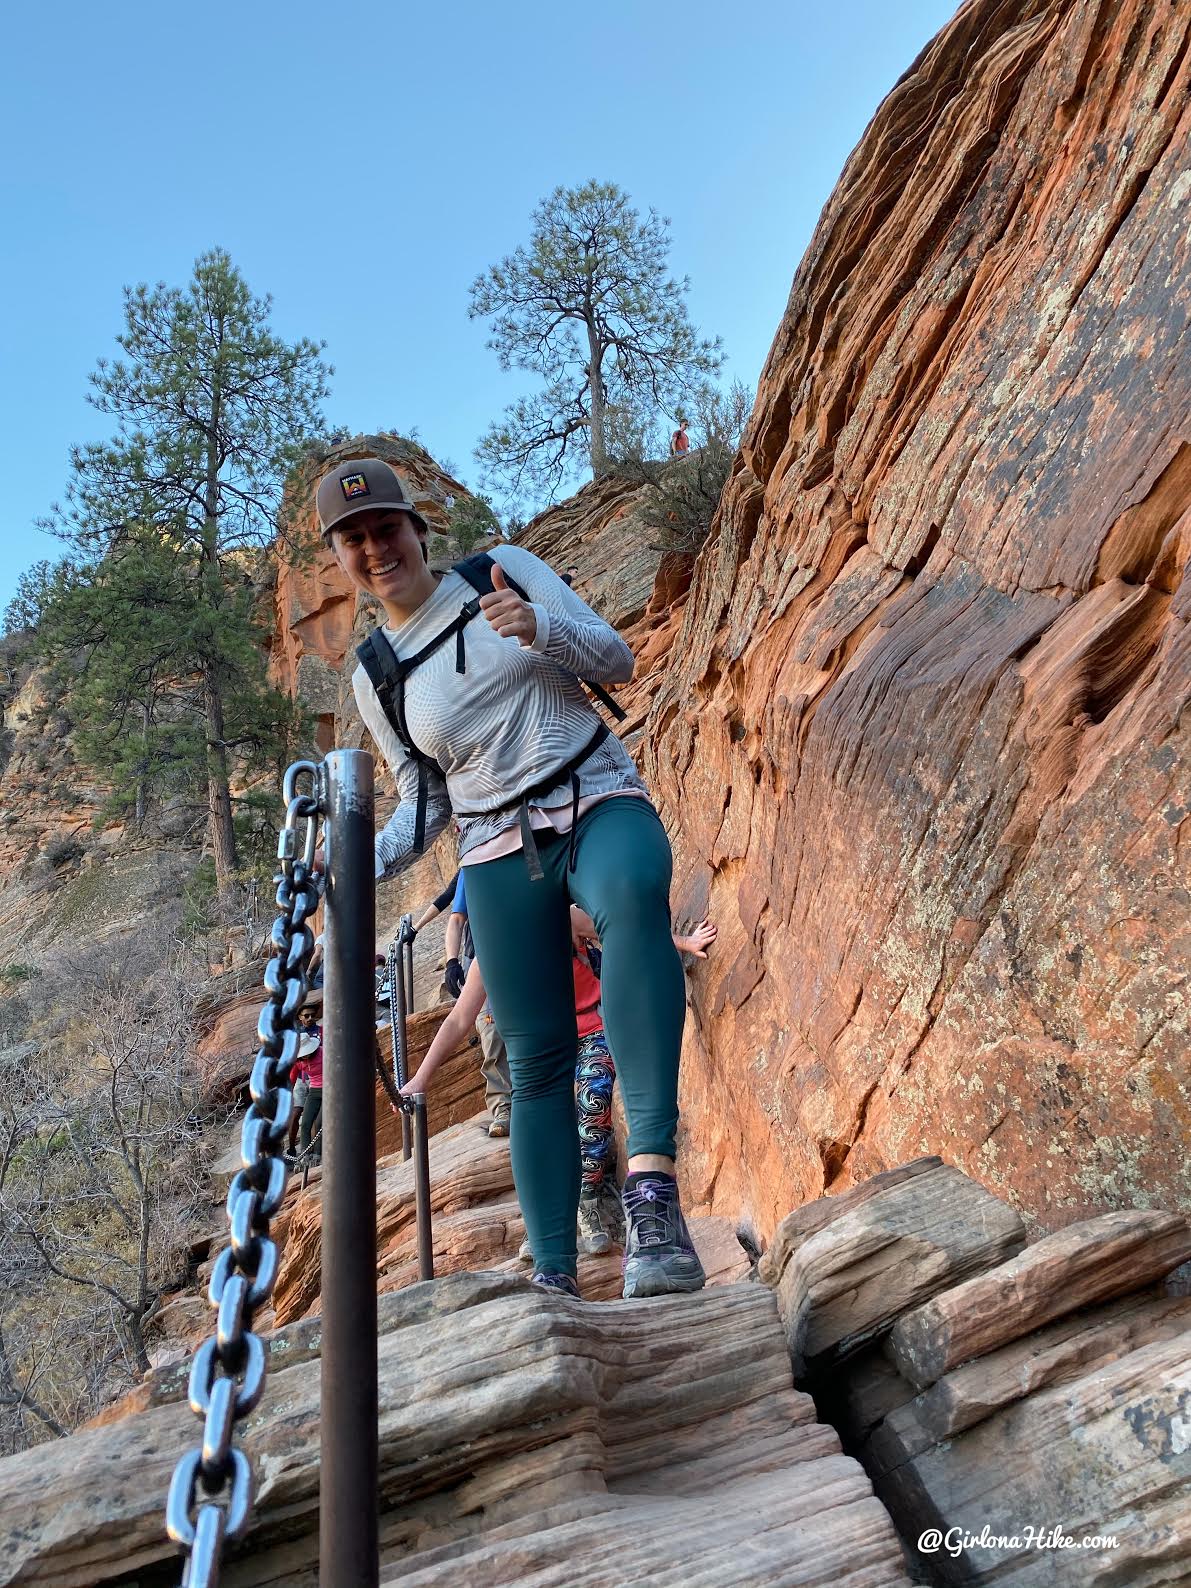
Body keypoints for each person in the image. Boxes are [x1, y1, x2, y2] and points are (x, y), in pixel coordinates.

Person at [315, 455, 702, 1300]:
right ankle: (555, 1271)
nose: (376, 546)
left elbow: (616, 657)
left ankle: (650, 1199)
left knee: (635, 904)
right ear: (340, 560)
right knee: (534, 1060)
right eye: (354, 538)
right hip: (492, 849)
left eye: (386, 526)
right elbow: (423, 804)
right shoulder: (377, 675)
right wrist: (352, 862)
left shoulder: (502, 571)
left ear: (417, 528)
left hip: (592, 793)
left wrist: (539, 630)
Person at [401, 905, 718, 1262]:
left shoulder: (561, 917)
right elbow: (459, 1019)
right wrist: (421, 1078)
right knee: (539, 1123)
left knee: (593, 1101)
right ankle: (544, 1224)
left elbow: (624, 936)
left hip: (592, 1027)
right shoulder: (490, 955)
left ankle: (586, 1201)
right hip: (544, 1045)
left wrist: (684, 942)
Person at [444, 869, 512, 1136]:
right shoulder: (472, 868)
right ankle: (503, 1107)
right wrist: (451, 960)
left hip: (521, 949)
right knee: (492, 1033)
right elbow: (457, 917)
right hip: (482, 957)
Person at [292, 1000, 324, 1163]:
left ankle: (318, 1155)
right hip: (313, 1089)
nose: (310, 1018)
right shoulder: (299, 1060)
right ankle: (304, 1155)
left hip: (328, 1089)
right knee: (305, 1123)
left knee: (319, 1123)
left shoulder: (323, 1053)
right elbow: (292, 1073)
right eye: (306, 1015)